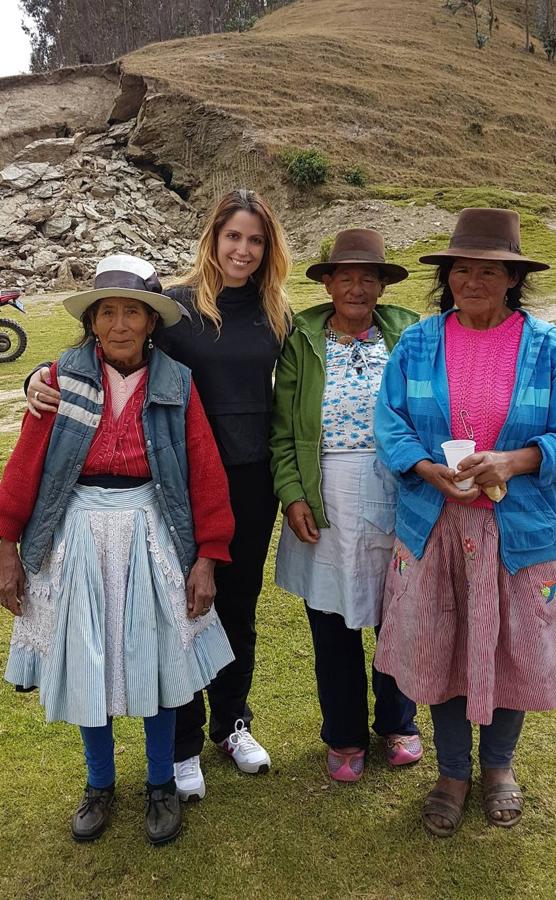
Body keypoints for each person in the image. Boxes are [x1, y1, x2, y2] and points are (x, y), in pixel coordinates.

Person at [25, 189, 292, 801]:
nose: (243, 250)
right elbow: (109, 348)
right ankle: (183, 744)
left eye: (255, 240)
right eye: (233, 237)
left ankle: (233, 722)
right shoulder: (175, 307)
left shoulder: (276, 314)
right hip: (177, 481)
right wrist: (39, 375)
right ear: (214, 239)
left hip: (248, 482)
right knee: (179, 610)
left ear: (266, 247)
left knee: (238, 605)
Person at [0, 254, 235, 844]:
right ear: (94, 321)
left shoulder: (176, 384)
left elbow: (204, 471)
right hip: (78, 534)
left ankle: (160, 783)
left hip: (150, 531)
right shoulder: (60, 381)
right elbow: (26, 467)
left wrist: (207, 555)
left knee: (154, 663)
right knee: (87, 660)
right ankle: (99, 783)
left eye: (133, 312)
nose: (120, 324)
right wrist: (6, 547)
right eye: (109, 312)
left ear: (152, 323)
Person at [373, 207, 555, 835]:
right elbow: (389, 421)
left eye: (489, 270)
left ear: (512, 279)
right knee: (442, 647)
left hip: (519, 532)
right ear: (446, 275)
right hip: (435, 524)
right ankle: (452, 770)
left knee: (511, 648)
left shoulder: (546, 348)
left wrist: (517, 458)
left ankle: (499, 766)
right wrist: (426, 468)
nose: (472, 280)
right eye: (461, 269)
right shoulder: (419, 342)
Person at [270, 229, 423, 782]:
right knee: (332, 619)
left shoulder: (408, 331)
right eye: (346, 276)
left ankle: (399, 723)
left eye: (369, 277)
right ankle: (343, 734)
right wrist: (292, 494)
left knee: (397, 611)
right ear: (329, 283)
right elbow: (284, 429)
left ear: (382, 286)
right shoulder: (304, 338)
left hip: (398, 485)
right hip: (325, 487)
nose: (357, 287)